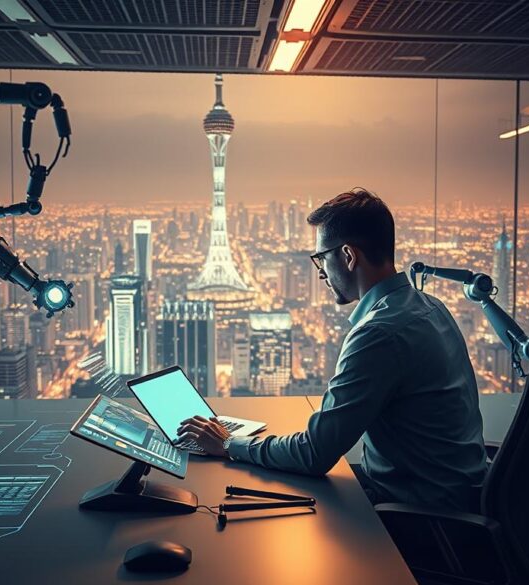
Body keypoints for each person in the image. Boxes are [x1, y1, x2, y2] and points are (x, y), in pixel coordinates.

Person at [178, 188, 487, 511]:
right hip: (450, 494)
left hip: (421, 517)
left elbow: (315, 453)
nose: (321, 272)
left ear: (349, 256)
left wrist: (229, 443)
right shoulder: (431, 307)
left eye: (321, 258)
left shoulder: (379, 333)